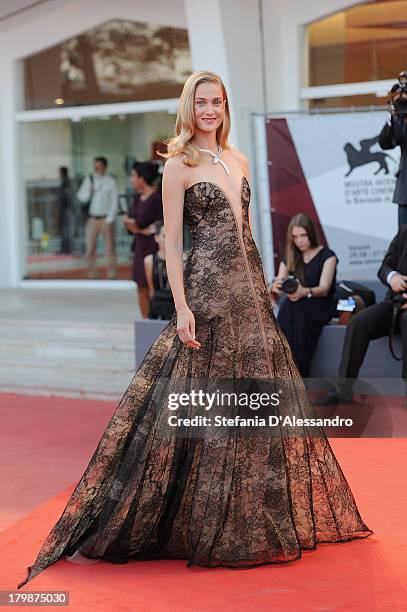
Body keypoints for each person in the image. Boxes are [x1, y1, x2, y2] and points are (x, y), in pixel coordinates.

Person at [17, 70, 372, 590]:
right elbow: (174, 245)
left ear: (225, 107)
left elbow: (245, 233)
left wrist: (265, 287)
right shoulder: (177, 165)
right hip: (206, 296)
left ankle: (255, 516)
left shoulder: (241, 159)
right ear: (190, 107)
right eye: (201, 102)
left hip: (249, 294)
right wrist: (181, 306)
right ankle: (197, 518)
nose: (209, 110)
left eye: (217, 102)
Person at [314, 225, 407, 405]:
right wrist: (393, 277)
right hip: (395, 302)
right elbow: (384, 268)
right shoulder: (404, 232)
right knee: (358, 323)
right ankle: (343, 389)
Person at [270, 214, 338, 377]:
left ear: (311, 234)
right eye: (295, 237)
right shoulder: (291, 257)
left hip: (320, 304)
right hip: (296, 306)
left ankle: (299, 372)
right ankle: (286, 367)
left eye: (303, 235)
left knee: (296, 306)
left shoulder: (328, 256)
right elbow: (278, 286)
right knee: (289, 306)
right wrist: (275, 287)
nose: (299, 240)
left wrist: (303, 291)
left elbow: (324, 289)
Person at [123, 161, 163, 317]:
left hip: (152, 246)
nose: (132, 179)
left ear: (142, 178)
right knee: (140, 286)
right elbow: (128, 221)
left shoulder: (157, 198)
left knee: (151, 286)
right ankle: (145, 320)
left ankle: (154, 318)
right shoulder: (137, 198)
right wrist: (141, 228)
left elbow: (139, 222)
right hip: (139, 245)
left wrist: (137, 225)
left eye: (134, 176)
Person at [77, 156, 118, 279]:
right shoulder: (89, 180)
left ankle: (111, 274)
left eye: (99, 166)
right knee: (89, 249)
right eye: (95, 166)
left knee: (110, 248)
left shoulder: (110, 181)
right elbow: (81, 197)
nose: (97, 168)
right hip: (92, 219)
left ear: (104, 167)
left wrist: (110, 218)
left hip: (106, 219)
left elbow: (114, 201)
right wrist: (89, 191)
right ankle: (92, 274)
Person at [378, 81, 407, 228]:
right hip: (405, 194)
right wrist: (393, 114)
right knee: (403, 242)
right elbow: (386, 143)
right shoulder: (400, 120)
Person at [144, 221, 175, 320]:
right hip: (157, 305)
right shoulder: (149, 260)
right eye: (164, 236)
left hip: (174, 305)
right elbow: (151, 288)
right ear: (157, 238)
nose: (168, 240)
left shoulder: (182, 260)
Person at [57, 167, 73, 254]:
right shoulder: (64, 182)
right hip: (64, 210)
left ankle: (66, 249)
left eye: (60, 172)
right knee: (64, 230)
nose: (59, 174)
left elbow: (67, 197)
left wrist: (67, 209)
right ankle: (65, 248)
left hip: (66, 210)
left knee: (66, 230)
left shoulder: (66, 183)